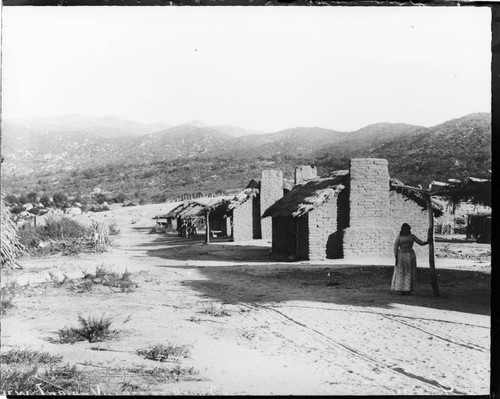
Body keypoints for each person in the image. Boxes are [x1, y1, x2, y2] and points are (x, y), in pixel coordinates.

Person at [392, 223, 428, 295]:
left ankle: (408, 289)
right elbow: (395, 247)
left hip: (410, 255)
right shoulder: (399, 237)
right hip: (401, 256)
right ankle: (401, 288)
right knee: (402, 271)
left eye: (408, 229)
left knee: (409, 271)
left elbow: (420, 242)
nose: (407, 230)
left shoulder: (412, 236)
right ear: (403, 230)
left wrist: (427, 242)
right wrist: (396, 257)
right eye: (406, 229)